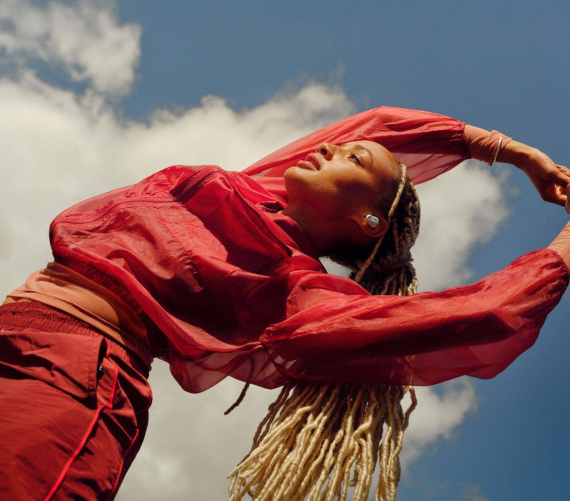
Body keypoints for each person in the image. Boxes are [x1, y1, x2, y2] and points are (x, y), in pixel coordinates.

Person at [0, 106, 569, 501]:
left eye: (353, 160)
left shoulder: (295, 288)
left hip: (68, 375)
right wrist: (513, 153)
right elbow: (379, 125)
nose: (328, 147)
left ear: (368, 222)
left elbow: (484, 313)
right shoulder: (246, 190)